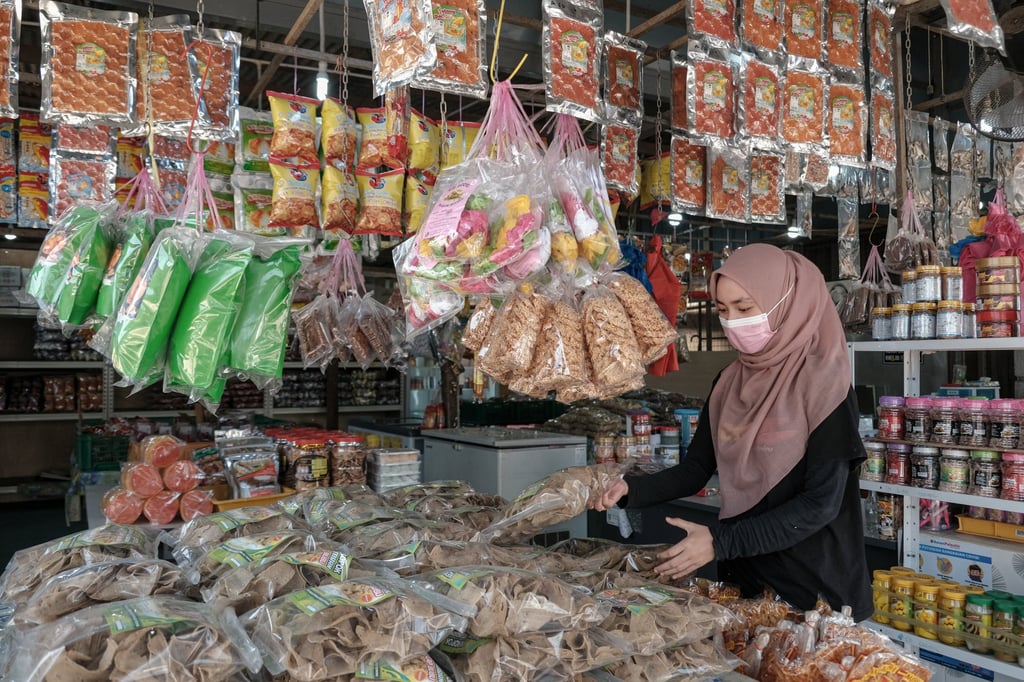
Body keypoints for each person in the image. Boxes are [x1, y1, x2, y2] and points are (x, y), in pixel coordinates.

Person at [592, 243, 872, 620]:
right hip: (746, 584)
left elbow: (820, 504)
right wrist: (630, 489)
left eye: (744, 308)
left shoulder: (826, 385)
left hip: (816, 596)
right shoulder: (729, 382)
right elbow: (696, 468)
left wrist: (720, 542)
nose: (732, 322)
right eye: (723, 310)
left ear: (784, 303)